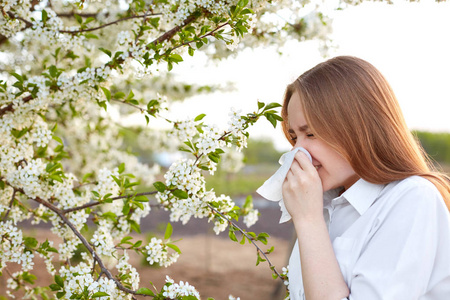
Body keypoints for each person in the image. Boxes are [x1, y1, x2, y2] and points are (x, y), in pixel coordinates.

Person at [280, 56, 450, 300]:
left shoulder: (412, 199)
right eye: (294, 137)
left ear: (357, 127)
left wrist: (308, 221)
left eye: (311, 133)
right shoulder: (327, 205)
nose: (298, 152)